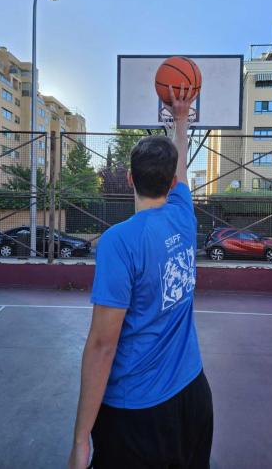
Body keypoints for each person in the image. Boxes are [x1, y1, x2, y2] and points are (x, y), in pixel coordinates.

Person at [68, 85, 213, 469]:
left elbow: (102, 346)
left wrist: (81, 440)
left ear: (130, 180)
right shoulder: (184, 218)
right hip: (194, 395)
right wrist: (180, 120)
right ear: (171, 184)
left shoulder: (120, 241)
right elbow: (180, 169)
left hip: (138, 412)